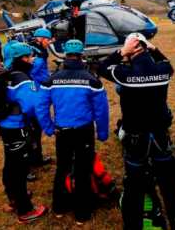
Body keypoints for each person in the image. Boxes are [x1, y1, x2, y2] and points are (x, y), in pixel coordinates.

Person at [98, 33, 175, 230]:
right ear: (146, 48)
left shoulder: (125, 74)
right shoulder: (164, 70)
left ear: (132, 50)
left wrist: (122, 51)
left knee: (134, 188)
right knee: (168, 188)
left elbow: (100, 67)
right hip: (160, 135)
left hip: (136, 137)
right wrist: (153, 49)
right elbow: (167, 62)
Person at [35, 39, 109, 226]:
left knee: (63, 168)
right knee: (83, 171)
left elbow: (41, 106)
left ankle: (59, 208)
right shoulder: (92, 80)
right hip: (83, 131)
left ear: (64, 54)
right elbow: (101, 109)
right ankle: (82, 214)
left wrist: (49, 127)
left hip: (62, 132)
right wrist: (102, 132)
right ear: (82, 55)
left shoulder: (51, 79)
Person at [0, 42, 48, 224]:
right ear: (19, 59)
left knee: (10, 164)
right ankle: (25, 210)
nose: (30, 59)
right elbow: (32, 107)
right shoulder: (23, 80)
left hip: (5, 127)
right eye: (27, 57)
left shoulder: (6, 74)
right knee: (19, 170)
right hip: (18, 128)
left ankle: (13, 199)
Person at [27, 28, 54, 169]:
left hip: (36, 90)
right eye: (47, 40)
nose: (49, 42)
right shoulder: (36, 55)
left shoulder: (36, 51)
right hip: (34, 93)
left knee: (35, 129)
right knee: (33, 129)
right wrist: (48, 80)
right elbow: (33, 74)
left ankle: (37, 158)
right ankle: (31, 162)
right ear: (41, 39)